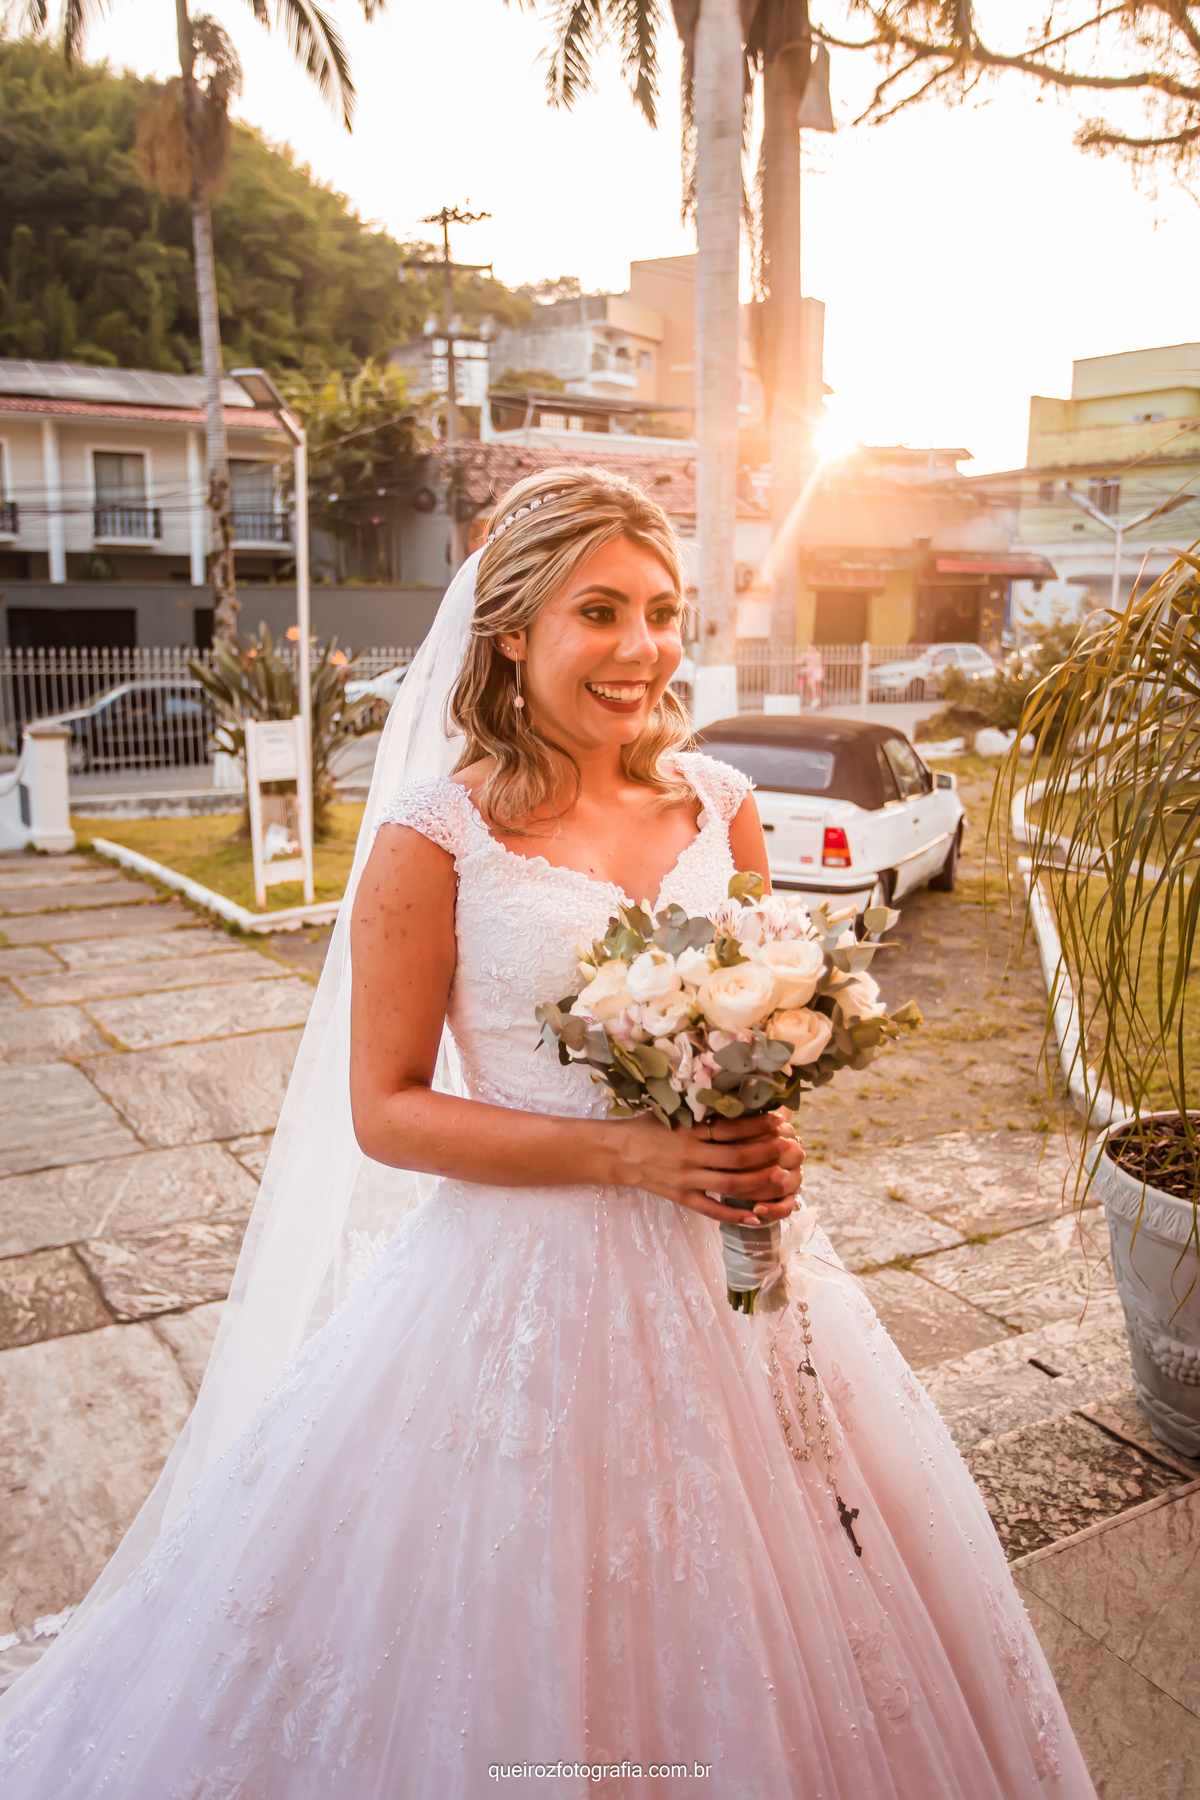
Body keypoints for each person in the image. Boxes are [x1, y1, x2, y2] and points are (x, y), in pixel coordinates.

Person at [0, 469, 1095, 1799]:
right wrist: (637, 1157)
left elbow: (743, 1028)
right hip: (511, 1289)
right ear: (514, 631)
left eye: (665, 612)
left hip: (733, 1275)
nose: (644, 649)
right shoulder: (434, 837)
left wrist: (763, 1127)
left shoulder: (721, 806)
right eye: (602, 613)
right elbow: (388, 1109)